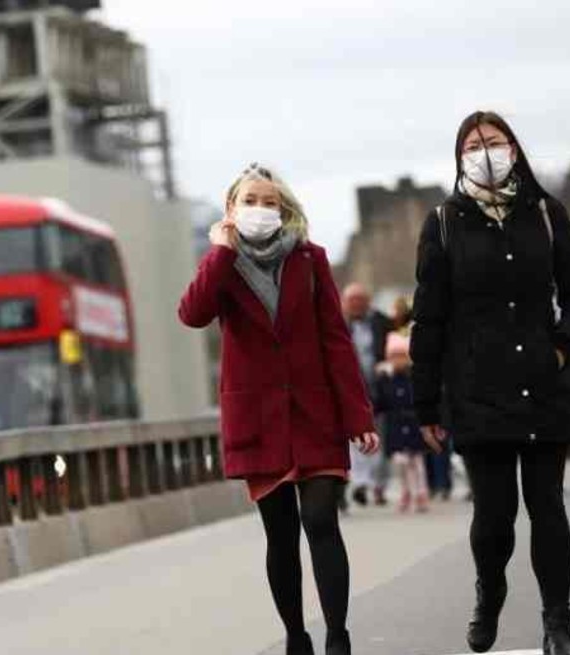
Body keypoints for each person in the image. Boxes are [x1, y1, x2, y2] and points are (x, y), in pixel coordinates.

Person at [411, 111, 570, 655]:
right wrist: (426, 406)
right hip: (477, 391)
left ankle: (557, 624)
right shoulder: (444, 223)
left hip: (543, 383)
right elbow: (430, 318)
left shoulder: (546, 214)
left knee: (548, 507)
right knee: (495, 518)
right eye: (474, 144)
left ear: (514, 149)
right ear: (459, 156)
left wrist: (563, 344)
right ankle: (489, 591)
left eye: (494, 141)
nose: (485, 151)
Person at [179, 163, 380, 655]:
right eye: (251, 200)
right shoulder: (221, 264)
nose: (262, 210)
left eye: (271, 202)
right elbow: (193, 313)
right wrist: (220, 252)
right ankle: (296, 635)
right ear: (231, 209)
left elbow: (336, 340)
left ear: (285, 210)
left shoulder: (311, 260)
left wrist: (358, 417)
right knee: (281, 535)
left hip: (315, 413)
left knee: (321, 520)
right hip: (258, 419)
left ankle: (338, 636)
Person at [342, 283, 391, 507]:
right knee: (357, 439)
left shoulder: (382, 322)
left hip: (380, 388)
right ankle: (361, 483)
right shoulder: (339, 324)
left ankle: (379, 485)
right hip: (353, 389)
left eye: (360, 300)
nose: (356, 305)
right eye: (352, 301)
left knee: (382, 439)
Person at [373, 333, 428, 513]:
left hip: (413, 426)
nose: (398, 361)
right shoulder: (385, 380)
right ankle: (406, 491)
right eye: (394, 357)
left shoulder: (413, 378)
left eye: (401, 356)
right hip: (395, 426)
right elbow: (380, 402)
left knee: (417, 462)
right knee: (401, 463)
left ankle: (421, 492)